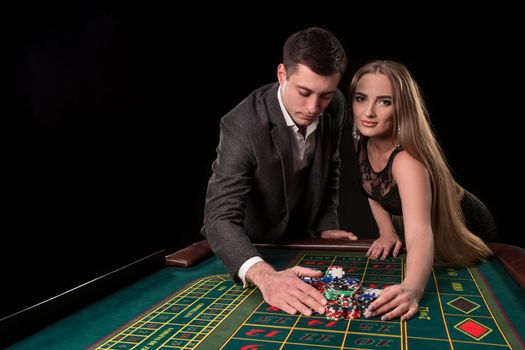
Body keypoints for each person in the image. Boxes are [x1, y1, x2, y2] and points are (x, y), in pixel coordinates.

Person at [201, 27, 357, 317]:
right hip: (252, 246)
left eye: (324, 95)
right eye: (304, 92)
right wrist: (265, 276)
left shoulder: (334, 105)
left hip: (301, 237)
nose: (313, 107)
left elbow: (330, 164)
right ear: (282, 74)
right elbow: (218, 218)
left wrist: (325, 224)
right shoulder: (243, 124)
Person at [349, 60, 496, 321]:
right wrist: (387, 231)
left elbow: (419, 231)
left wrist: (412, 288)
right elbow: (373, 189)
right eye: (361, 98)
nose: (368, 111)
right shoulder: (363, 141)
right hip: (433, 228)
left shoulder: (406, 161)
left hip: (469, 227)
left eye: (384, 101)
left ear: (401, 108)